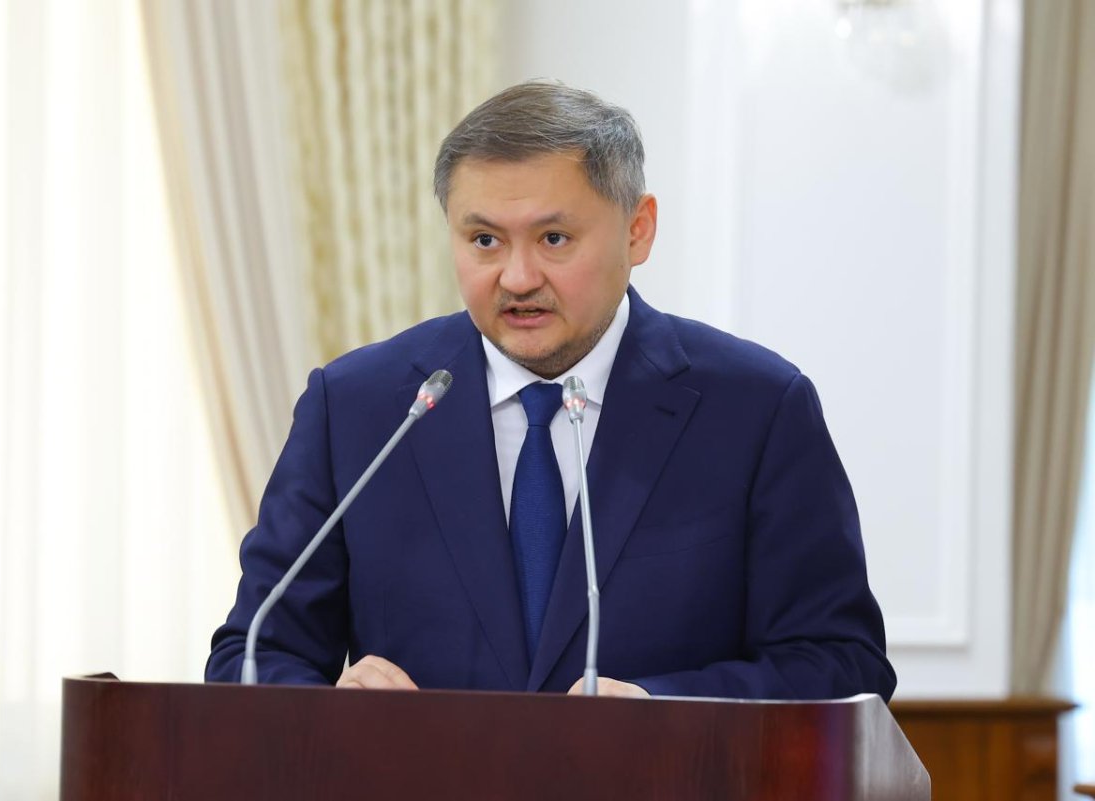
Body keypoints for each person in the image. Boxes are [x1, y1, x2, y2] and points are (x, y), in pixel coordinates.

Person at [205, 80, 897, 700]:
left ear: (638, 230)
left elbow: (841, 663)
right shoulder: (359, 408)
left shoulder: (756, 409)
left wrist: (661, 710)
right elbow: (253, 652)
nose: (517, 277)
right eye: (484, 240)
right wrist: (331, 707)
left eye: (555, 238)